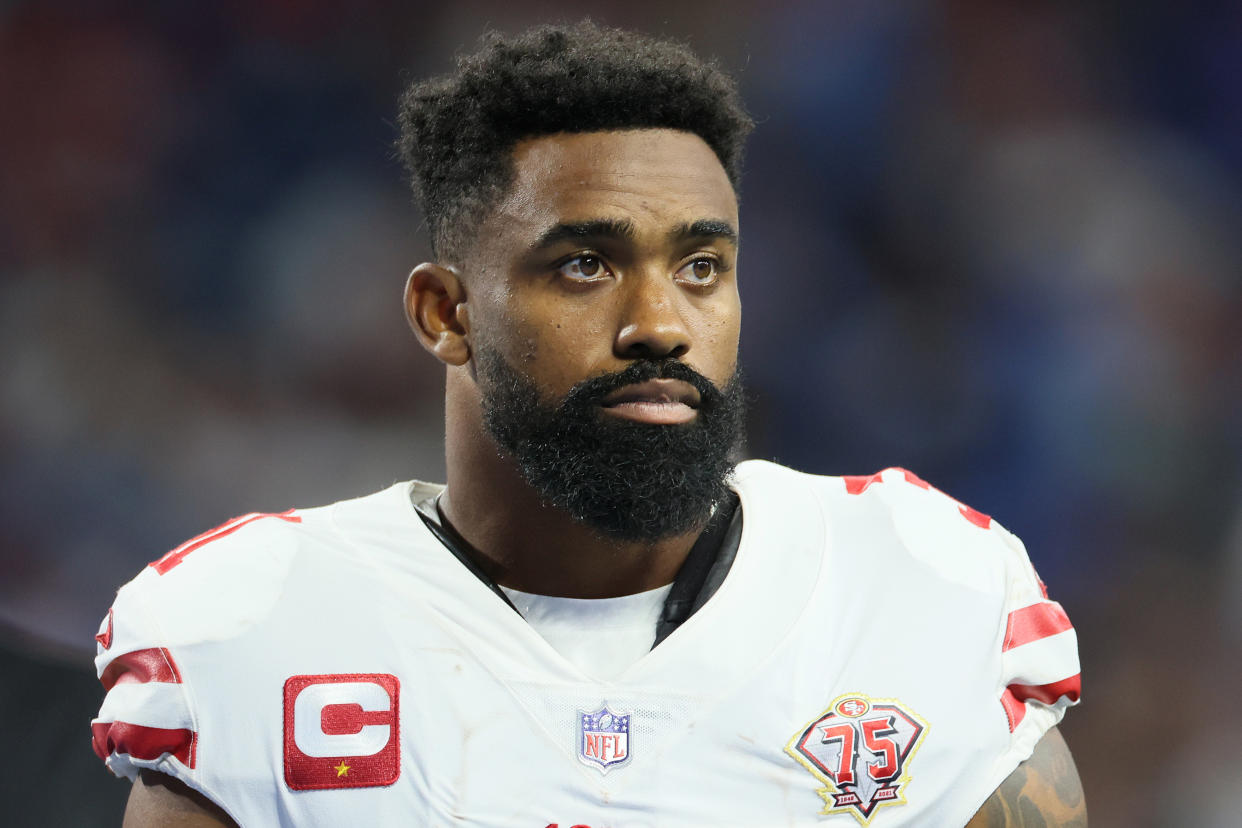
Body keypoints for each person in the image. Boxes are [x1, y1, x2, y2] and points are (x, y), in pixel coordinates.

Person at [92, 21, 1084, 827]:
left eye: (703, 268)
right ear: (447, 313)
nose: (660, 325)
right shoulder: (258, 628)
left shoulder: (921, 592)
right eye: (584, 265)